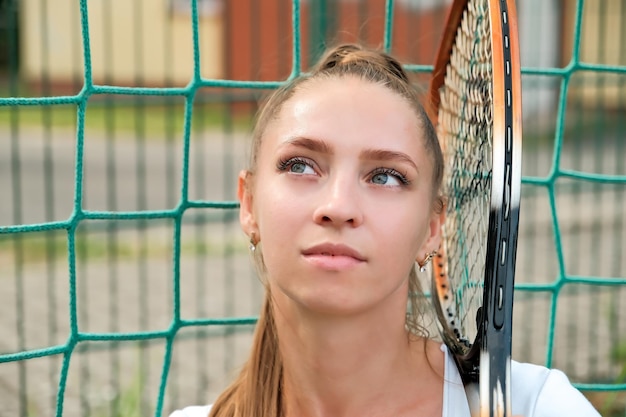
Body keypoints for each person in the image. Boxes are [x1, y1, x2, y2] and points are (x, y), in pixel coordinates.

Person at [169, 44, 600, 417]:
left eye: (386, 176)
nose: (338, 207)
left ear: (433, 228)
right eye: (300, 165)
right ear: (248, 204)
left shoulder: (535, 406)